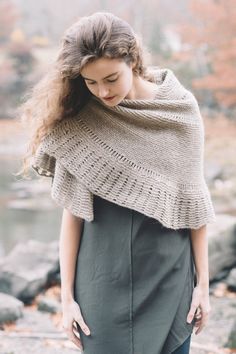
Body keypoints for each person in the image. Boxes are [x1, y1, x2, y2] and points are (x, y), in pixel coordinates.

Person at [18, 11, 216, 354]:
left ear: (133, 60)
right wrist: (67, 300)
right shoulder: (82, 121)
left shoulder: (179, 113)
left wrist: (203, 287)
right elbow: (73, 215)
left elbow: (194, 204)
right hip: (100, 283)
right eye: (90, 83)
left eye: (111, 78)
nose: (102, 91)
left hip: (169, 279)